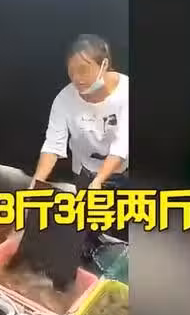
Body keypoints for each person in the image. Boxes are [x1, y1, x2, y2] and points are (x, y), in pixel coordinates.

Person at [32, 34, 129, 240]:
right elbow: (53, 146)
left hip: (121, 173)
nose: (77, 78)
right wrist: (35, 185)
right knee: (87, 233)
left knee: (120, 234)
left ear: (104, 65)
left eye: (83, 70)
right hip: (84, 173)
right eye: (72, 71)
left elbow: (122, 145)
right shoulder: (64, 99)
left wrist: (99, 180)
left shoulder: (126, 92)